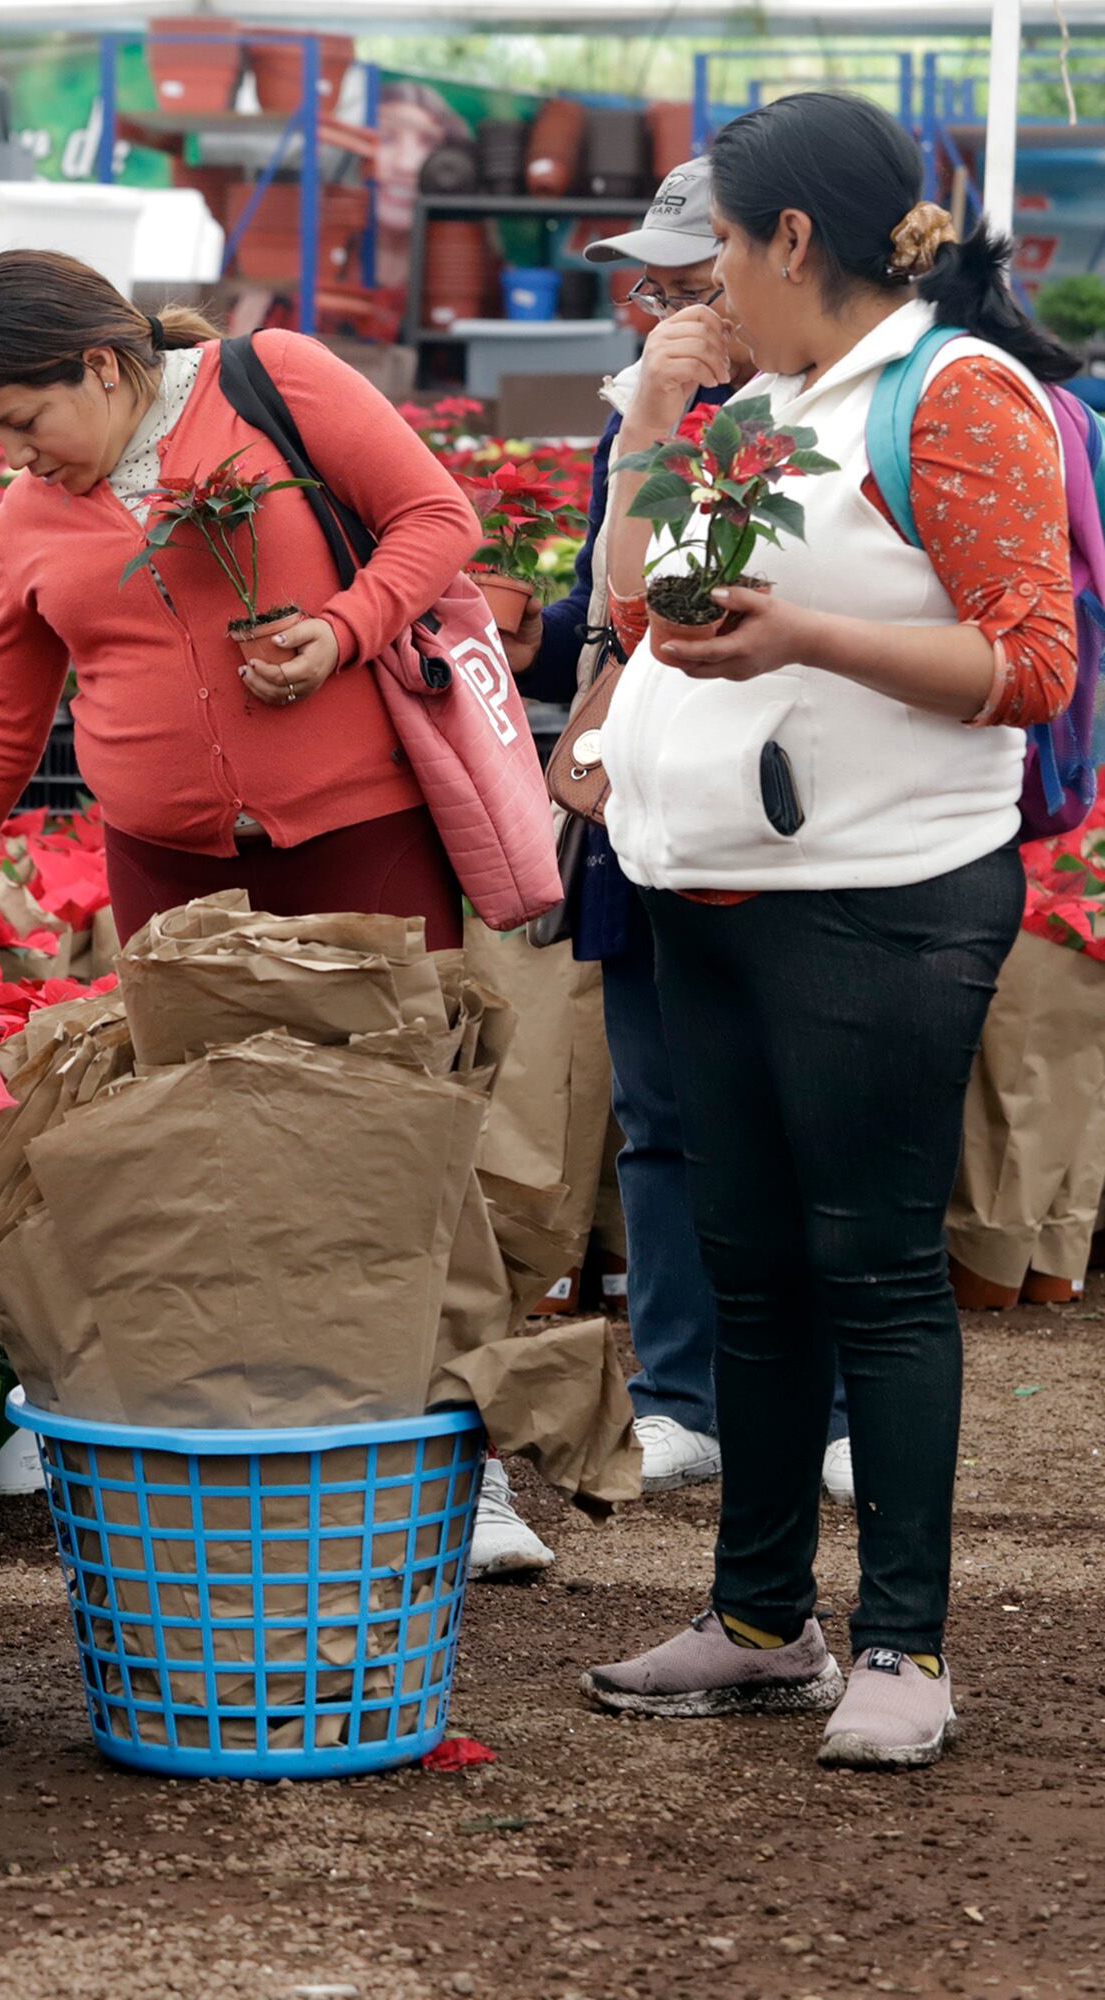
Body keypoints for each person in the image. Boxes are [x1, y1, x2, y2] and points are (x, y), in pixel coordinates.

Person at [0, 250, 556, 1576]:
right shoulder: (28, 519)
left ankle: (468, 1465)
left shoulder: (273, 381)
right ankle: (272, 1452)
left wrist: (345, 629)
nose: (15, 454)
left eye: (22, 421)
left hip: (363, 847)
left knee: (411, 1149)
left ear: (104, 369)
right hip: (173, 878)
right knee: (214, 1163)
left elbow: (435, 520)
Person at [580, 91, 1080, 1770]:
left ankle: (909, 1647)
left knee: (872, 1271)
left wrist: (802, 633)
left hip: (880, 901)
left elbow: (1032, 663)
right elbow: (637, 591)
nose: (700, 279)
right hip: (712, 889)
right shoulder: (769, 398)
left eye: (719, 243)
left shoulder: (958, 394)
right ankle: (756, 1620)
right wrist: (660, 408)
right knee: (754, 1274)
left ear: (793, 240)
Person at [523, 158, 857, 1509]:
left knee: (805, 1117)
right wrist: (520, 628)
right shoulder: (647, 414)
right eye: (644, 281)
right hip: (654, 802)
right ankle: (678, 1394)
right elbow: (625, 605)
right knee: (660, 1118)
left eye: (684, 275)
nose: (657, 302)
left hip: (799, 807)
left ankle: (828, 1405)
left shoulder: (837, 415)